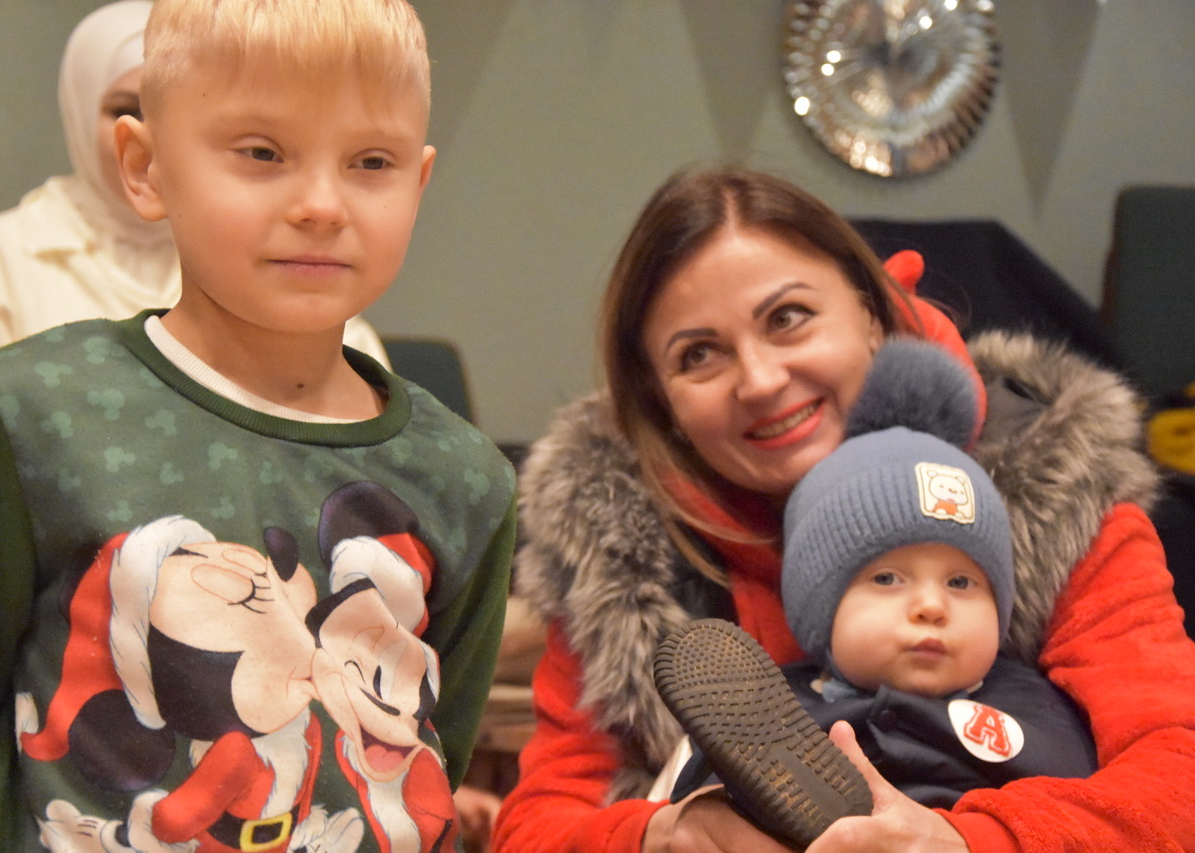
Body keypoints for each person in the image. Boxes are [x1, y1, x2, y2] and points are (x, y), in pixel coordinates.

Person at [0, 2, 516, 852]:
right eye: (262, 152)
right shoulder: (29, 413)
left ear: (417, 184)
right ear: (145, 166)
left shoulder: (466, 477)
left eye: (371, 162)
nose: (322, 204)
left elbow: (423, 762)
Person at [493, 166, 1195, 853]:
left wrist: (969, 839)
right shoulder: (617, 549)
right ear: (661, 402)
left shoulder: (1055, 488)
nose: (760, 380)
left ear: (874, 314)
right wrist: (662, 835)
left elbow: (1179, 770)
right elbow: (536, 825)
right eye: (699, 354)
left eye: (787, 318)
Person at [655, 340, 1096, 850]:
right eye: (887, 579)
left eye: (961, 583)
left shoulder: (1034, 708)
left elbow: (1080, 810)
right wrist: (698, 807)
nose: (931, 607)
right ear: (820, 611)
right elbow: (676, 814)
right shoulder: (765, 701)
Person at [0, 0, 389, 461]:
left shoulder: (261, 252)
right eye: (128, 109)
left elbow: (370, 440)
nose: (157, 137)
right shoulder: (8, 253)